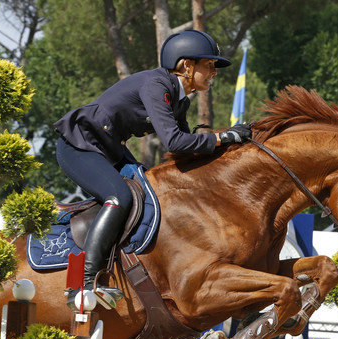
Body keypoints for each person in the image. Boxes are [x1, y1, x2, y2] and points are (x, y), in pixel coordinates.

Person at [55, 29, 252, 310]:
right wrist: (222, 137)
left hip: (108, 148)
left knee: (151, 194)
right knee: (118, 198)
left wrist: (228, 148)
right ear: (187, 65)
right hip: (80, 146)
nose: (214, 73)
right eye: (209, 65)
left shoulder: (179, 97)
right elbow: (173, 140)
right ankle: (84, 285)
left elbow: (184, 150)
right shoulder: (156, 86)